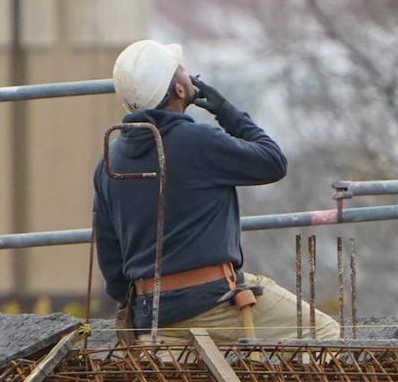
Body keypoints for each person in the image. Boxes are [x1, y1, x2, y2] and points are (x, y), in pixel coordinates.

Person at [93, 39, 341, 344]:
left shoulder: (110, 159)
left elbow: (110, 259)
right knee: (325, 333)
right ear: (179, 90)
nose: (188, 73)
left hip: (151, 318)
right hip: (213, 303)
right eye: (181, 70)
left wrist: (142, 309)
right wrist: (226, 111)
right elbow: (273, 162)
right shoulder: (198, 141)